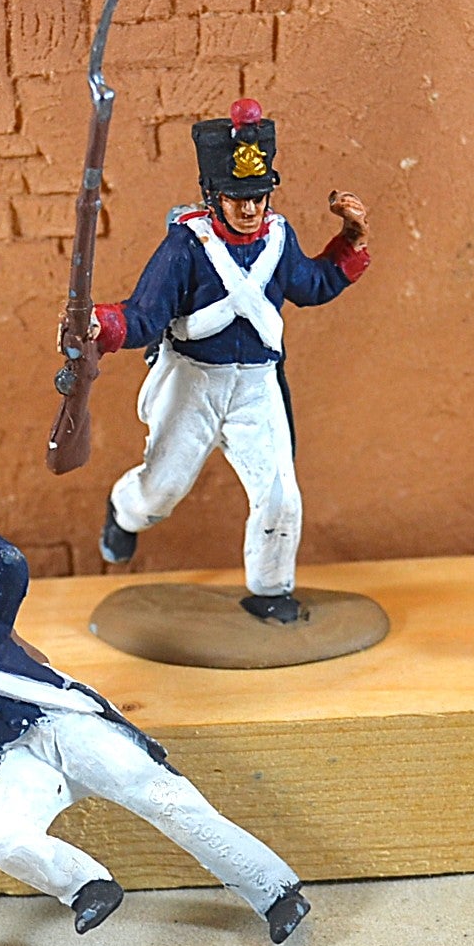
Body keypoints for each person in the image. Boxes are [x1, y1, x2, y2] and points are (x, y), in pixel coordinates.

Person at [0, 461, 310, 944]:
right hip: (18, 755)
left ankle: (275, 891)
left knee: (163, 797)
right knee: (0, 837)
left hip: (66, 724)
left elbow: (7, 566)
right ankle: (86, 885)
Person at [83, 97, 370, 625]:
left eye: (257, 196)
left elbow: (311, 284)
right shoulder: (185, 247)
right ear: (213, 195)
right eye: (237, 198)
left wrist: (350, 240)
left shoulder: (278, 238)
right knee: (160, 492)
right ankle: (124, 511)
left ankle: (270, 591)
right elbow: (146, 314)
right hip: (192, 381)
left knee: (279, 495)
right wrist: (102, 325)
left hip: (257, 385)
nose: (249, 208)